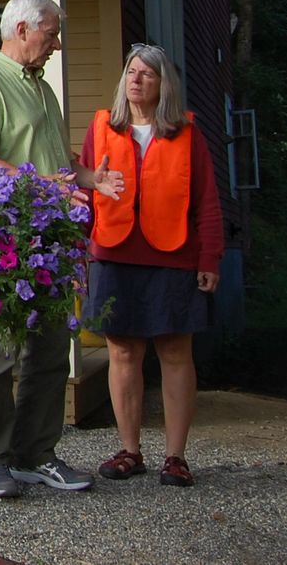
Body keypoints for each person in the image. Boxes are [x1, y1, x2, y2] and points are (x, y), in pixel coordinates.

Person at [0, 0, 122, 499]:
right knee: (1, 352)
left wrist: (91, 177)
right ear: (22, 30)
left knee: (52, 351)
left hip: (49, 238)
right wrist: (48, 185)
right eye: (50, 34)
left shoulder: (43, 89)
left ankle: (35, 454)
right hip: (4, 239)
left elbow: (53, 155)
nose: (56, 44)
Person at [81, 44, 223, 488]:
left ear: (164, 84)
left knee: (176, 353)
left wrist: (209, 257)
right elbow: (83, 195)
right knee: (122, 352)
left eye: (147, 74)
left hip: (174, 256)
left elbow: (208, 203)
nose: (136, 80)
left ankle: (176, 457)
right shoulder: (102, 128)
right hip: (113, 254)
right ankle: (130, 450)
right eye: (132, 72)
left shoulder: (188, 134)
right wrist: (75, 254)